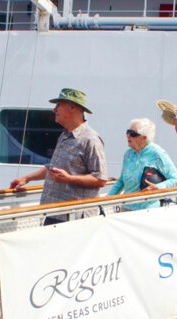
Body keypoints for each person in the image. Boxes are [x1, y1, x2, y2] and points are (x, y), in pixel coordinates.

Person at [9, 88, 108, 225]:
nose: (54, 110)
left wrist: (69, 179)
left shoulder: (90, 139)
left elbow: (100, 179)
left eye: (58, 105)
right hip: (55, 213)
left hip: (75, 219)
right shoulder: (65, 136)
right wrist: (27, 178)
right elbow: (54, 168)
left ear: (72, 107)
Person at [108, 118, 177, 210]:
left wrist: (158, 187)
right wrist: (105, 200)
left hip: (147, 211)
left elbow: (175, 179)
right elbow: (121, 181)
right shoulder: (128, 154)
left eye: (133, 133)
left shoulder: (157, 153)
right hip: (126, 208)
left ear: (144, 138)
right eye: (128, 132)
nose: (128, 135)